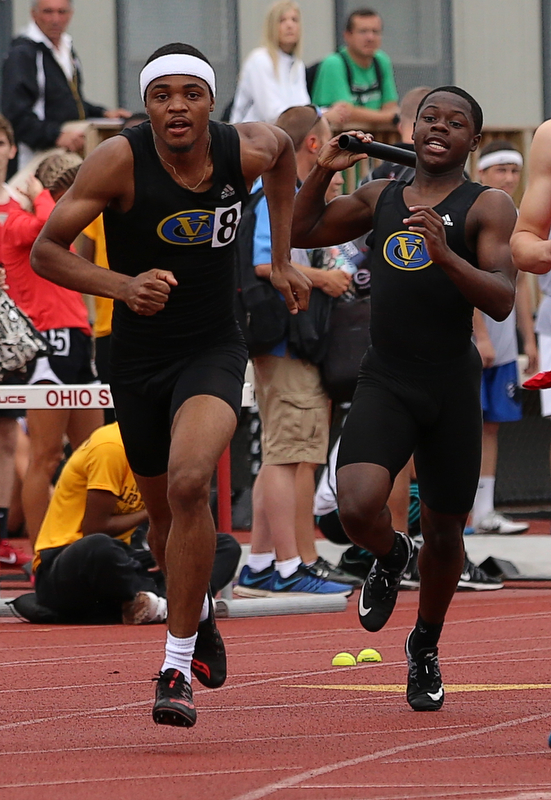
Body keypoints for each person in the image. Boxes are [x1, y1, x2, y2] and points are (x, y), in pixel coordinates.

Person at [31, 41, 311, 729]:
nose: (177, 106)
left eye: (190, 92)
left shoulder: (241, 147)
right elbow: (46, 251)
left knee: (191, 483)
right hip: (136, 359)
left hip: (213, 348)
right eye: (162, 95)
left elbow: (285, 144)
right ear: (146, 104)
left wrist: (280, 255)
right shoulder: (118, 161)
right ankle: (202, 612)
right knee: (161, 521)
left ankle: (176, 665)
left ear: (211, 100)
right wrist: (123, 285)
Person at [292, 86, 517, 711]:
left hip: (449, 386)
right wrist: (320, 172)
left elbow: (500, 296)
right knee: (358, 507)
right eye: (430, 118)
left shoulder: (488, 204)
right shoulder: (382, 194)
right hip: (386, 378)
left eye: (457, 122)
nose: (440, 127)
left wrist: (445, 253)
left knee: (448, 534)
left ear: (473, 140)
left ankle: (425, 645)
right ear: (412, 130)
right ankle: (392, 555)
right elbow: (299, 229)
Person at [235, 106, 356, 598]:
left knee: (284, 455)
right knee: (291, 456)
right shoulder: (274, 195)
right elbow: (267, 263)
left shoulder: (280, 194)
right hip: (285, 339)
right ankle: (290, 566)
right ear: (311, 145)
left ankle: (262, 562)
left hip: (281, 341)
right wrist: (323, 277)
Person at [32, 421, 241, 626]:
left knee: (224, 546)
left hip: (123, 561)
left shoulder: (169, 451)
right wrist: (155, 510)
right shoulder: (111, 447)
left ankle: (162, 601)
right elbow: (94, 528)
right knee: (100, 546)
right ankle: (179, 602)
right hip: (65, 565)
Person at [3, 153, 103, 546]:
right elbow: (44, 222)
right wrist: (42, 194)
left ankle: (87, 544)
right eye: (69, 194)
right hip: (46, 341)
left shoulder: (47, 223)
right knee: (46, 457)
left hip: (77, 337)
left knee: (92, 454)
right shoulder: (17, 223)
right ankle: (44, 552)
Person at [471, 140, 537, 535]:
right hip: (479, 342)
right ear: (482, 172)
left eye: (515, 170)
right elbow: (472, 279)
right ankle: (451, 512)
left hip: (505, 342)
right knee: (463, 424)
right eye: (501, 170)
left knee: (493, 424)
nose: (510, 178)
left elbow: (522, 285)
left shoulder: (521, 217)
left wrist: (527, 340)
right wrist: (481, 336)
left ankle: (484, 511)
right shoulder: (478, 211)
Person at [1, 0, 130, 170]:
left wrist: (103, 113)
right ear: (34, 14)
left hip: (64, 155)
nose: (55, 19)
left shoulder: (66, 49)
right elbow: (14, 114)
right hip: (32, 159)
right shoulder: (23, 54)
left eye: (62, 12)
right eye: (48, 12)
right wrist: (56, 135)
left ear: (71, 14)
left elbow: (68, 101)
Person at [0, 114, 33, 567]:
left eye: (0, 141)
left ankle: (3, 534)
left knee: (8, 434)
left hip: (11, 333)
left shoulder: (19, 201)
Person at [310, 7, 399, 131]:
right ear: (347, 35)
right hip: (338, 141)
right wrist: (390, 118)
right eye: (363, 31)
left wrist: (389, 116)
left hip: (376, 140)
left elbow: (391, 106)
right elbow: (346, 112)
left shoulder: (382, 61)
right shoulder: (334, 63)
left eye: (375, 32)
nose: (370, 37)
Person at [230, 1, 310, 125]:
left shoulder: (297, 64)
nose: (289, 25)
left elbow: (303, 106)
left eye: (294, 20)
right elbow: (272, 114)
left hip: (283, 137)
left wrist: (323, 114)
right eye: (282, 20)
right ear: (272, 26)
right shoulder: (260, 60)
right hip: (250, 136)